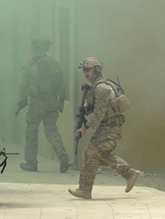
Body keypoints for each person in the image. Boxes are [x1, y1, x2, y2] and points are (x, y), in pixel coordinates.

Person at [69, 57, 141, 199]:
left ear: (97, 69)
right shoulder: (96, 87)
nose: (86, 73)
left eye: (88, 70)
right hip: (108, 125)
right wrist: (86, 109)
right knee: (98, 155)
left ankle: (84, 189)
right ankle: (129, 174)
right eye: (84, 70)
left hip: (110, 126)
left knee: (91, 152)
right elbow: (98, 109)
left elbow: (99, 113)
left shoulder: (101, 88)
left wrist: (84, 128)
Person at [16, 35, 70, 173]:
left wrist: (22, 99)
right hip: (52, 102)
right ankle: (62, 154)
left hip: (36, 103)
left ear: (34, 47)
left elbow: (22, 83)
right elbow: (61, 83)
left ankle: (31, 163)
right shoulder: (54, 63)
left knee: (31, 131)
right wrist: (60, 99)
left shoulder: (30, 64)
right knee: (51, 130)